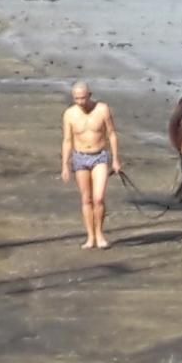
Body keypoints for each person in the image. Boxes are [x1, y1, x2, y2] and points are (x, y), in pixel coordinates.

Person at [61, 81, 122, 249]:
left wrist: (116, 159)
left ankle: (100, 234)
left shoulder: (102, 109)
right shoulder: (69, 114)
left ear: (90, 95)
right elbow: (67, 140)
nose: (80, 102)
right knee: (86, 199)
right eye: (76, 98)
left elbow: (112, 135)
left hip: (99, 157)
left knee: (99, 198)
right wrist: (65, 165)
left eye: (83, 98)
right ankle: (90, 237)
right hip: (80, 157)